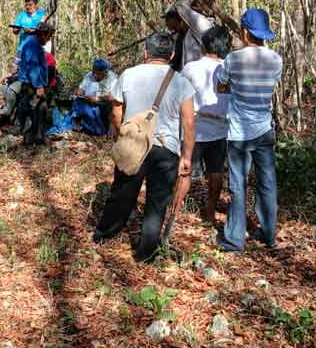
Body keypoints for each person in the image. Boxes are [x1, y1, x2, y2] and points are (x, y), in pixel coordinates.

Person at [93, 32, 196, 263]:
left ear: (146, 52)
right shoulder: (181, 81)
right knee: (157, 203)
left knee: (122, 193)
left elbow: (116, 110)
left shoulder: (128, 75)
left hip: (134, 144)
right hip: (166, 148)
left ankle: (104, 235)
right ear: (171, 55)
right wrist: (186, 156)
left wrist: (123, 135)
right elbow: (189, 122)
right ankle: (145, 253)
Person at [216, 8, 283, 251]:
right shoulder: (276, 59)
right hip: (264, 129)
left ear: (245, 32)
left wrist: (234, 88)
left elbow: (221, 87)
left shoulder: (233, 59)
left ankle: (235, 239)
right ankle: (269, 234)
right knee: (267, 182)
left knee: (238, 184)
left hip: (239, 133)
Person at [181, 26, 232, 220]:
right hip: (220, 128)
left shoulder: (190, 68)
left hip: (194, 127)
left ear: (204, 45)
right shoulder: (229, 69)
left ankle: (175, 210)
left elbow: (179, 97)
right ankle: (210, 210)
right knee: (216, 171)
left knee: (185, 170)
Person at [15, 21, 54, 146]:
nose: (48, 40)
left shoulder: (34, 43)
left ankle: (34, 136)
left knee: (36, 109)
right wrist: (39, 85)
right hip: (31, 84)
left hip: (32, 83)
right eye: (48, 37)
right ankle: (36, 137)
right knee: (38, 109)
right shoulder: (32, 44)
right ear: (42, 34)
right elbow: (33, 67)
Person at [73, 58, 118, 135]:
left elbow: (113, 97)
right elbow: (81, 89)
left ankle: (93, 125)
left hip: (103, 105)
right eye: (93, 72)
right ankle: (78, 121)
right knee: (77, 101)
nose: (94, 75)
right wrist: (79, 93)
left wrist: (98, 98)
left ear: (105, 73)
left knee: (100, 131)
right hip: (89, 103)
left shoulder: (112, 78)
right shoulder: (89, 75)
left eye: (98, 74)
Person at [172, 0, 215, 66]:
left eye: (193, 5)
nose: (191, 9)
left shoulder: (201, 23)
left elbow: (181, 5)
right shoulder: (198, 26)